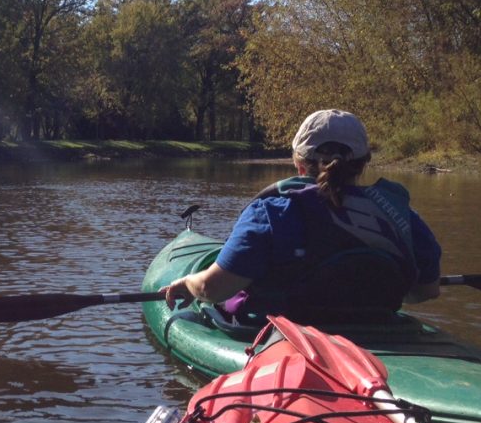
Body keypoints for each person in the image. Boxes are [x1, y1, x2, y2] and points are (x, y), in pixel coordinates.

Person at [162, 109, 441, 324]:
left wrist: (188, 283)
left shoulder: (272, 212)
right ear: (364, 162)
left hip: (285, 335)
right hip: (376, 326)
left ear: (297, 161)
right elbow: (426, 291)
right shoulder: (401, 215)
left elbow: (213, 289)